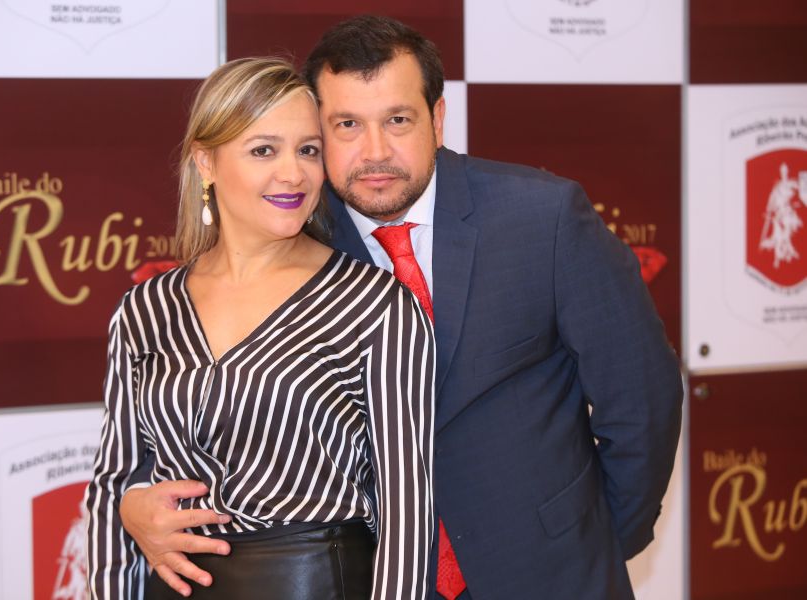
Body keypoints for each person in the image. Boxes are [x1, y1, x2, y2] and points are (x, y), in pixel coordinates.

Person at [119, 16, 684, 600]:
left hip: (552, 574)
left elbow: (642, 400)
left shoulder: (543, 218)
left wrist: (596, 541)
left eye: (397, 120)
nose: (375, 152)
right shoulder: (293, 233)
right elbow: (206, 413)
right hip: (372, 580)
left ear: (436, 120)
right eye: (347, 125)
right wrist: (133, 502)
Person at [84, 56, 435, 600]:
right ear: (206, 162)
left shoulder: (373, 304)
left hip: (315, 584)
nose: (293, 173)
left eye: (308, 150)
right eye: (264, 150)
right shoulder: (146, 310)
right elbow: (115, 485)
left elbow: (407, 512)